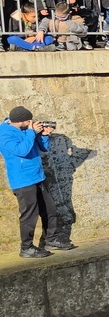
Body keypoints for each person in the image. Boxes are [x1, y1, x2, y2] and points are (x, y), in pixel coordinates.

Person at [0, 106, 74, 257]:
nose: (31, 122)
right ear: (19, 121)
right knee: (29, 215)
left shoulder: (26, 129)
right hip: (22, 180)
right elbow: (22, 151)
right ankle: (26, 247)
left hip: (38, 176)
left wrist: (44, 135)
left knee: (50, 209)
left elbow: (43, 148)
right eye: (28, 121)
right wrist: (31, 132)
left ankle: (50, 240)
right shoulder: (4, 134)